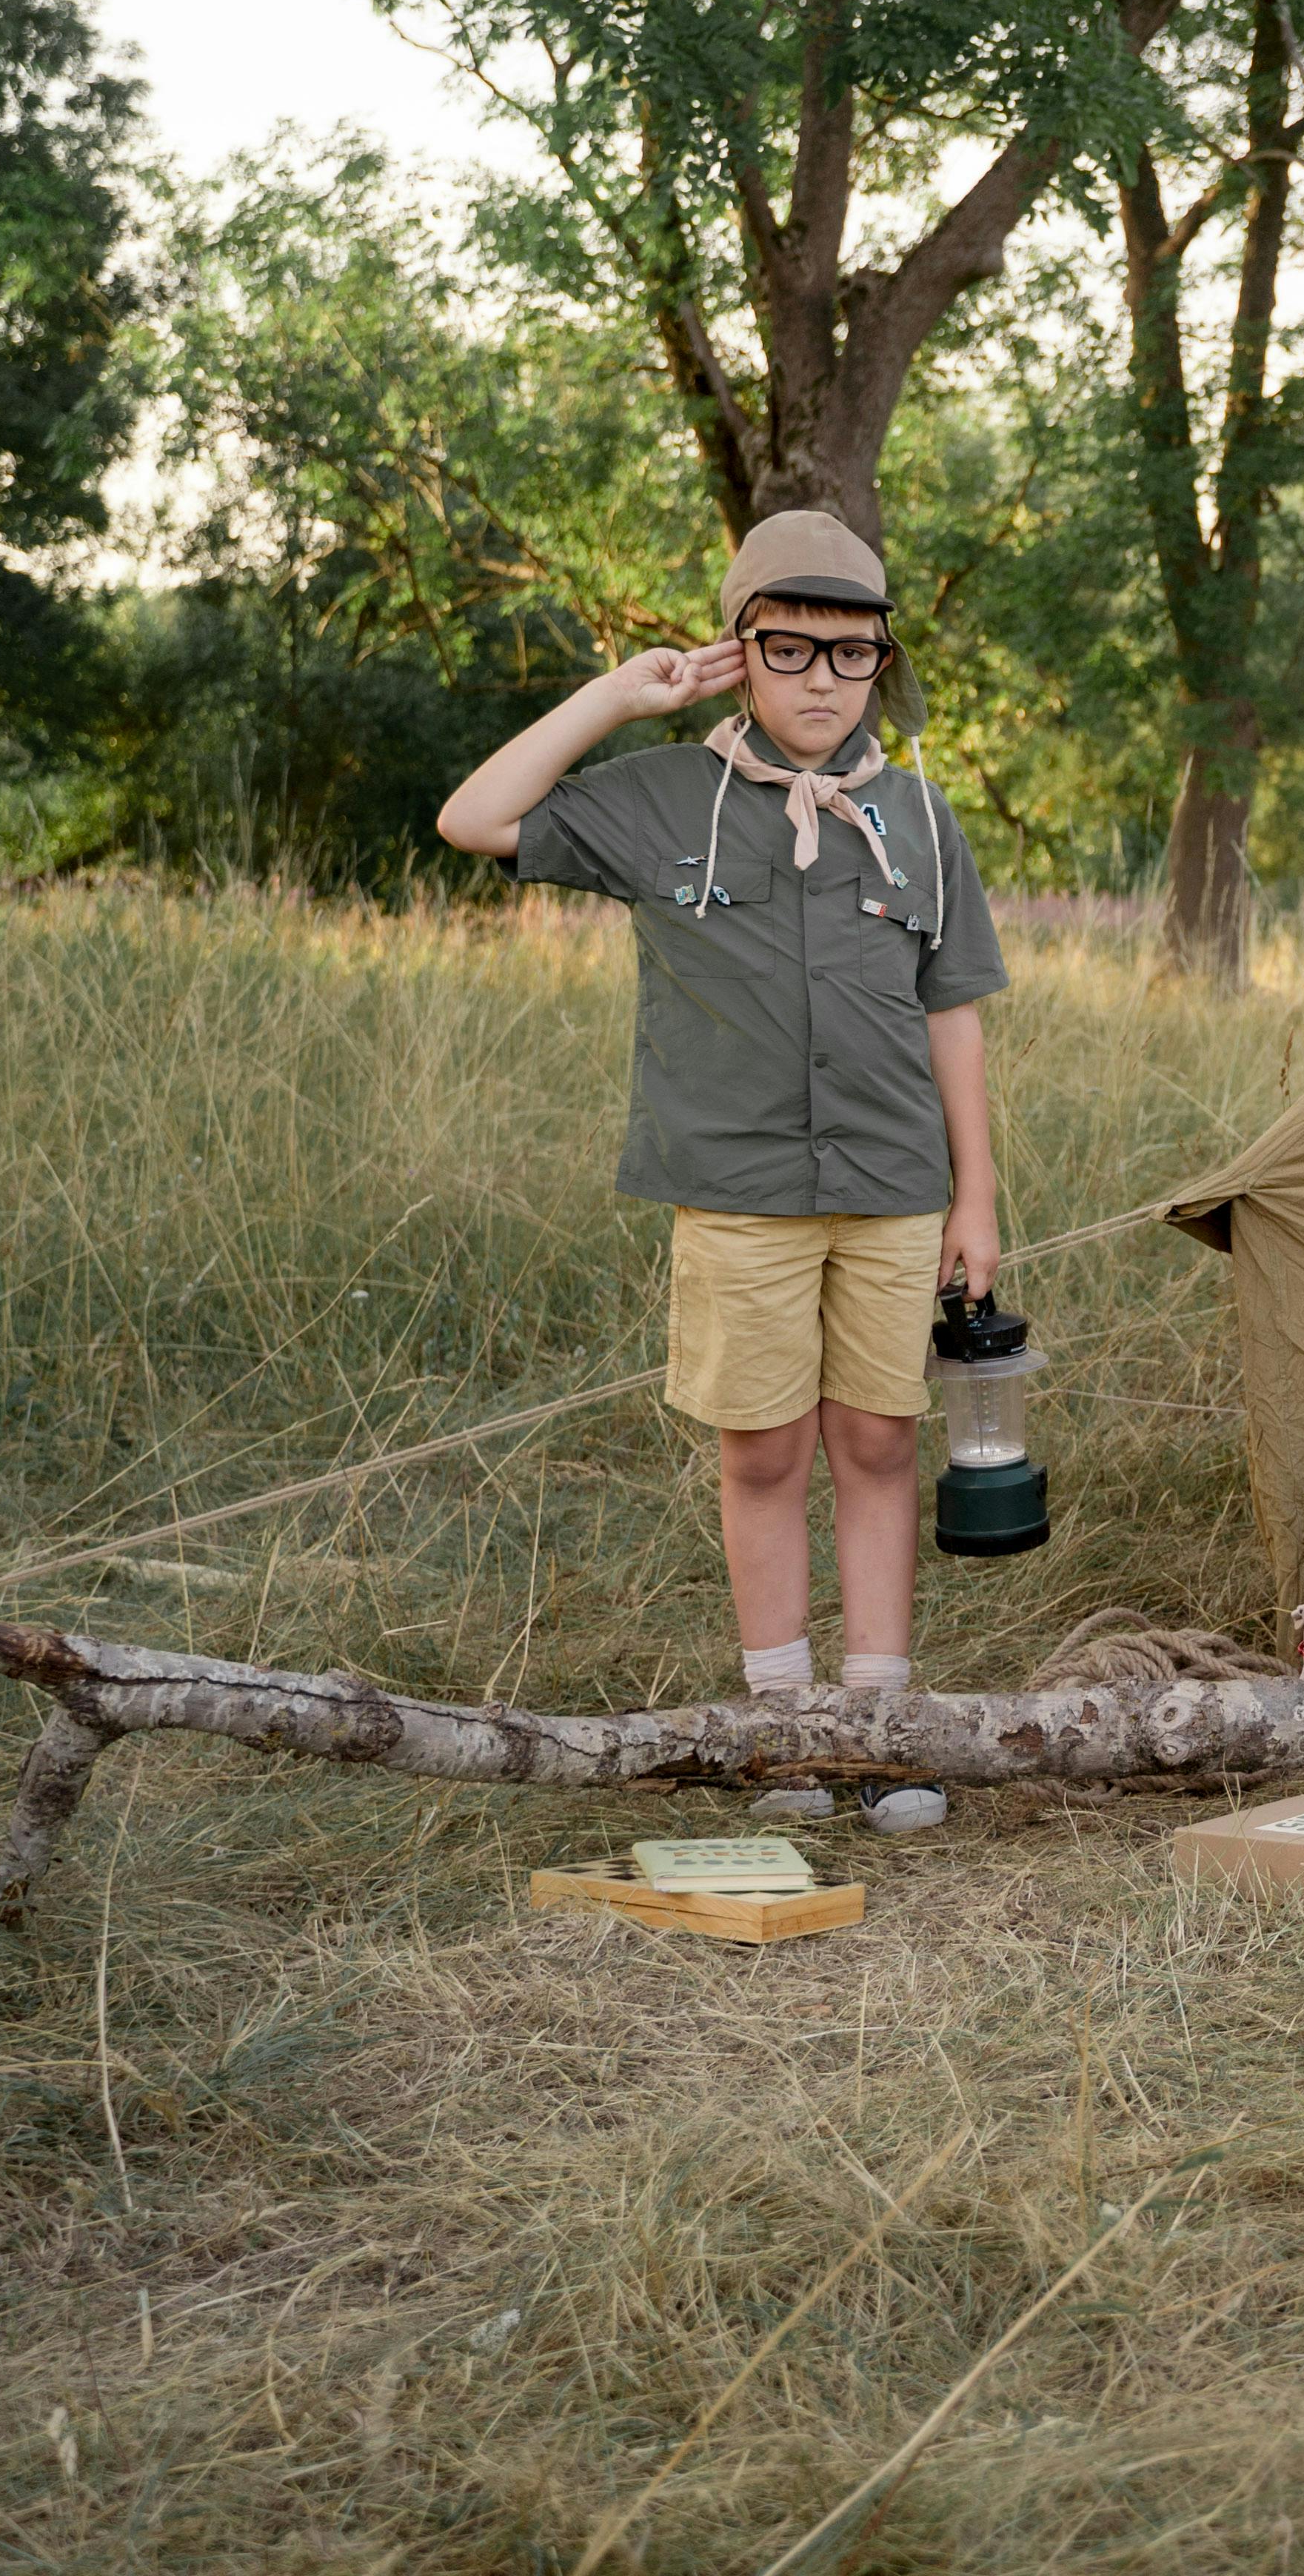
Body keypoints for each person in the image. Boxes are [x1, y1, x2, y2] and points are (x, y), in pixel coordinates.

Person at [434, 511, 1007, 1820]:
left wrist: (976, 1197)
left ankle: (877, 1719)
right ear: (738, 650)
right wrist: (619, 695)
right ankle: (786, 1724)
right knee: (763, 1454)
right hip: (738, 1191)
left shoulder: (918, 816)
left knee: (876, 1438)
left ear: (883, 666)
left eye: (849, 655)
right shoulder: (661, 802)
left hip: (893, 1185)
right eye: (787, 648)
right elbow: (474, 818)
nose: (819, 680)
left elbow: (954, 1008)